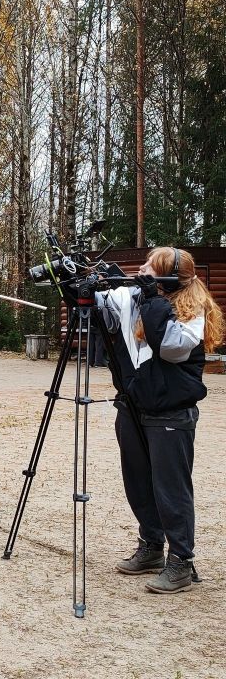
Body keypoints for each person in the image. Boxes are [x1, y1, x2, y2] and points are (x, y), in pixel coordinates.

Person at [100, 247, 224, 594]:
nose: (140, 271)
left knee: (170, 490)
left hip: (171, 411)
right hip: (134, 406)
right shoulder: (137, 295)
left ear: (169, 279)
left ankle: (181, 562)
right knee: (138, 483)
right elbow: (104, 307)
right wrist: (85, 282)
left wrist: (152, 300)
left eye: (149, 268)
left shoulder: (191, 310)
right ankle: (151, 547)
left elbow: (171, 347)